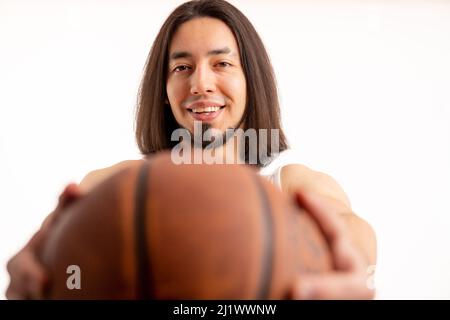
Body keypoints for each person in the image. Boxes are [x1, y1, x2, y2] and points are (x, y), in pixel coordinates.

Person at [6, 0, 376, 300]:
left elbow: (355, 239)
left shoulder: (291, 185)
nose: (200, 83)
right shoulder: (116, 187)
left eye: (222, 64)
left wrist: (346, 259)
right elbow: (58, 270)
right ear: (164, 91)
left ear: (251, 81)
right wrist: (39, 273)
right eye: (182, 67)